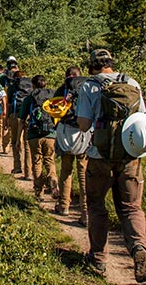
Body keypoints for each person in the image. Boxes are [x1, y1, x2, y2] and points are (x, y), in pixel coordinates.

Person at [76, 49, 146, 283]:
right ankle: (139, 248)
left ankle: (98, 259)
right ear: (111, 63)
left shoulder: (88, 87)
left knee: (97, 206)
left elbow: (83, 124)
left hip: (99, 157)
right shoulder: (132, 83)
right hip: (130, 156)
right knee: (131, 207)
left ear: (92, 66)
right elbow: (143, 120)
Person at [54, 66, 90, 226]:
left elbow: (53, 110)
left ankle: (64, 206)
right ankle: (85, 213)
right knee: (83, 174)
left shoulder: (62, 89)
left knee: (66, 171)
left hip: (66, 132)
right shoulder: (89, 87)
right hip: (84, 133)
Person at [16, 74, 58, 197]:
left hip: (34, 134)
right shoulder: (53, 96)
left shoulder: (30, 98)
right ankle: (52, 179)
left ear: (33, 85)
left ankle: (38, 191)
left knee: (37, 162)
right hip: (51, 134)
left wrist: (19, 138)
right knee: (50, 160)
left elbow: (22, 120)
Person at [7, 70, 32, 177]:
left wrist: (6, 118)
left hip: (15, 114)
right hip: (29, 116)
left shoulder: (12, 87)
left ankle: (17, 167)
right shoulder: (31, 86)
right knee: (27, 144)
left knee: (14, 141)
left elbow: (8, 103)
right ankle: (28, 172)